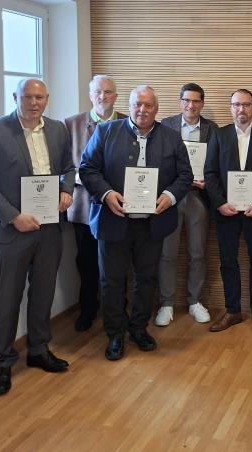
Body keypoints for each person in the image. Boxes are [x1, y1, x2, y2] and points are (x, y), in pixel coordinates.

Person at [0, 78, 74, 395]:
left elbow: (68, 168)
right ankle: (2, 363)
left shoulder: (57, 129)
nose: (33, 102)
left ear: (47, 99)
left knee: (43, 291)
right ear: (16, 97)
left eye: (39, 97)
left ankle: (39, 350)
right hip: (12, 230)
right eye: (27, 97)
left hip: (49, 226)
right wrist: (14, 216)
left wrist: (66, 192)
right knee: (9, 298)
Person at [79, 85, 193, 361]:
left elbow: (184, 175)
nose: (142, 110)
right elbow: (87, 168)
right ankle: (115, 335)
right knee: (111, 281)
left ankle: (139, 329)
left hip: (152, 224)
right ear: (129, 106)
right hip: (113, 221)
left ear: (157, 108)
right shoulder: (106, 132)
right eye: (137, 105)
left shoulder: (172, 137)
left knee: (147, 279)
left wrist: (169, 196)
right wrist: (106, 194)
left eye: (148, 105)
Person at [204, 89, 252, 336]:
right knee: (228, 262)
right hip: (226, 212)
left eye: (246, 105)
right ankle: (233, 310)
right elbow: (210, 173)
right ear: (230, 108)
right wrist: (219, 202)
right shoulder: (218, 135)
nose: (241, 110)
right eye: (236, 105)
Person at [63, 74, 126, 332]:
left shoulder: (127, 121)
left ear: (116, 96)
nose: (103, 97)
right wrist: (83, 178)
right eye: (98, 92)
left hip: (118, 204)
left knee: (118, 262)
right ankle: (87, 309)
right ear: (90, 95)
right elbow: (64, 165)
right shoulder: (71, 124)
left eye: (109, 92)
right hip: (84, 205)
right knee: (86, 261)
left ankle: (118, 310)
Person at [155, 83, 218, 327]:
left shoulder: (213, 130)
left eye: (196, 101)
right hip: (170, 197)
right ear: (180, 102)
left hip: (198, 196)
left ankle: (195, 301)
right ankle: (166, 303)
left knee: (197, 252)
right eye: (186, 100)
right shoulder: (164, 126)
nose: (191, 105)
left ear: (202, 103)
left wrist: (208, 182)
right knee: (167, 253)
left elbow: (216, 165)